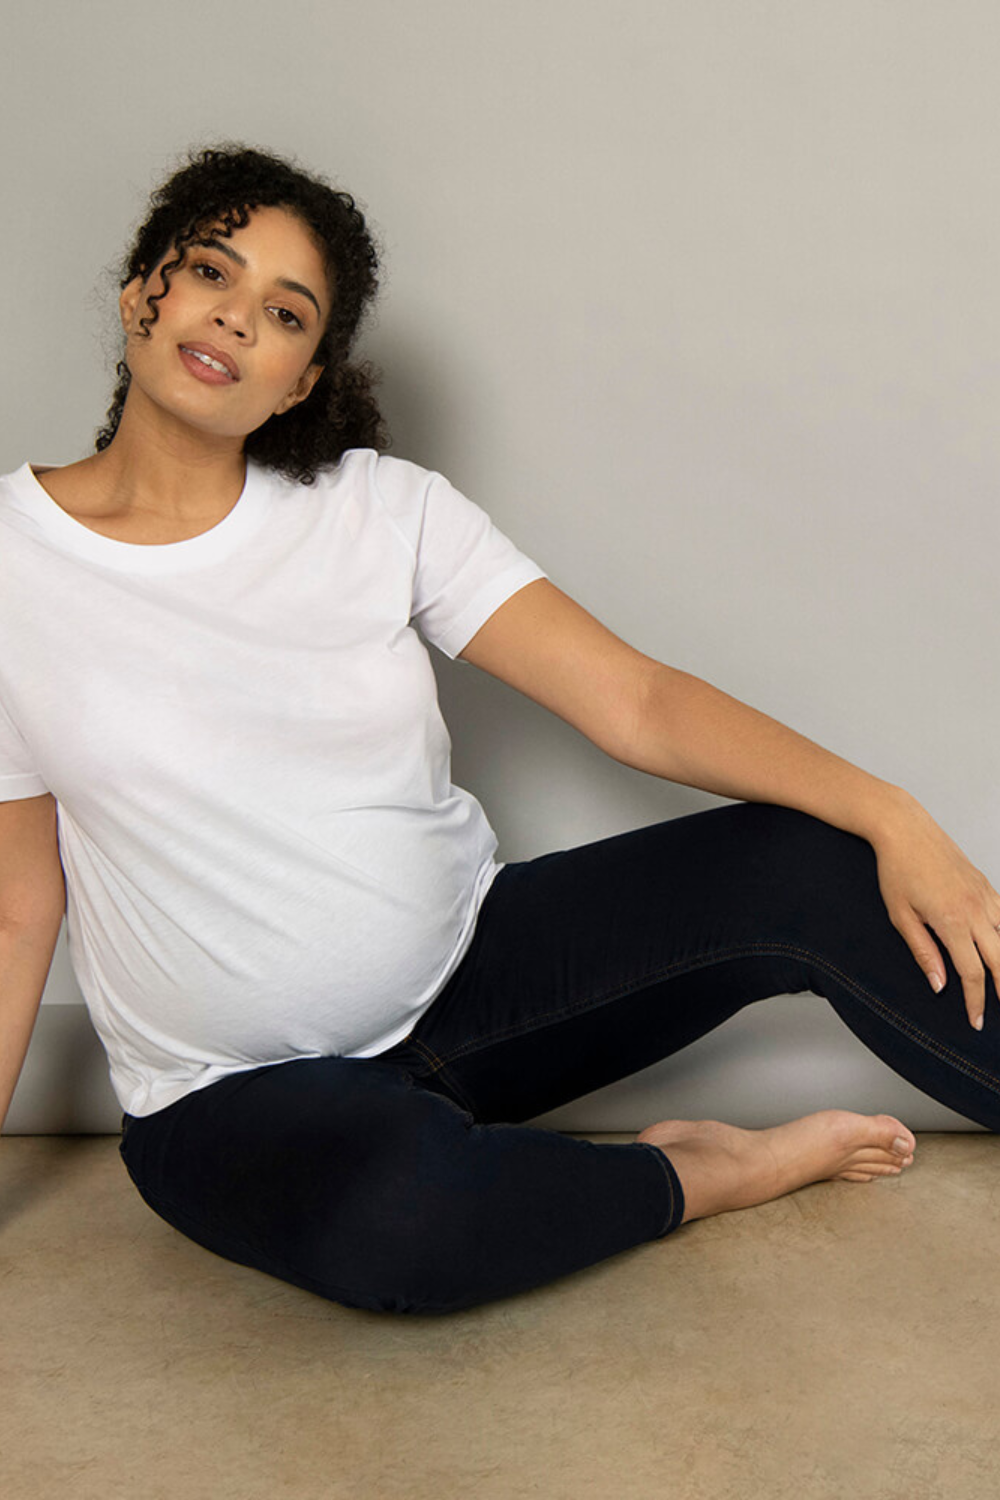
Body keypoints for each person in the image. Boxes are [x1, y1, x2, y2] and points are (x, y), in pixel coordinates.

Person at [1, 144, 998, 1318]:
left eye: (284, 312)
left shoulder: (380, 511)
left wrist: (890, 812)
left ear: (301, 380)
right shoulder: (15, 566)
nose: (234, 316)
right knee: (403, 1218)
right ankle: (707, 1173)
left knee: (813, 861)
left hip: (474, 987)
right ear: (141, 292)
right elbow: (16, 906)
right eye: (212, 271)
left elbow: (635, 700)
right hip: (229, 1097)